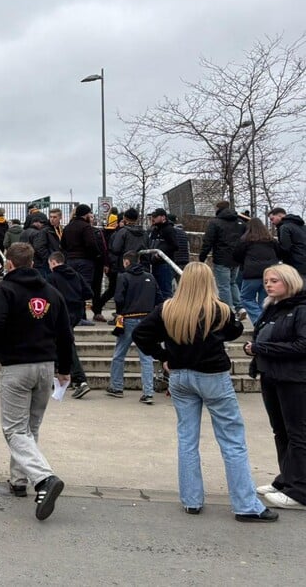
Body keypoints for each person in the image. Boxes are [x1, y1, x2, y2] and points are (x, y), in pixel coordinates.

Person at [133, 262, 277, 522]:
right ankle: (245, 504)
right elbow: (233, 332)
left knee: (187, 438)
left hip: (179, 375)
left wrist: (164, 357)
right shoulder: (220, 309)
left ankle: (191, 500)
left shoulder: (167, 309)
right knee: (232, 439)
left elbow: (142, 334)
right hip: (213, 376)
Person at [0, 242, 74, 521]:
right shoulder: (51, 292)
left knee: (13, 429)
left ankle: (44, 478)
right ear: (33, 263)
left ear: (9, 263)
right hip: (45, 366)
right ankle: (19, 480)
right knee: (30, 427)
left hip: (17, 366)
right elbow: (65, 333)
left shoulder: (5, 290)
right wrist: (65, 367)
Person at [246, 264, 306, 510]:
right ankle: (286, 479)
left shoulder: (301, 309)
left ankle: (300, 490)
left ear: (289, 282)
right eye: (266, 280)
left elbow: (302, 345)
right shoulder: (272, 308)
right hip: (271, 375)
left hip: (294, 379)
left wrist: (263, 349)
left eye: (274, 281)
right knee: (280, 431)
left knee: (297, 433)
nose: (268, 285)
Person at [106, 251, 159, 403]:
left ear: (127, 262)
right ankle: (148, 392)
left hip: (128, 319)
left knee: (119, 354)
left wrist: (119, 313)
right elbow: (159, 296)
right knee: (146, 358)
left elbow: (119, 298)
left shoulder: (124, 277)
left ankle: (117, 387)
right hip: (147, 320)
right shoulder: (150, 277)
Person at [46, 252, 93, 398]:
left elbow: (49, 296)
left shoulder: (52, 277)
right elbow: (88, 293)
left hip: (61, 313)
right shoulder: (76, 275)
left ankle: (80, 380)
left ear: (53, 262)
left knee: (66, 344)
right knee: (62, 342)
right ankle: (65, 376)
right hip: (76, 312)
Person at [198, 201, 246, 318]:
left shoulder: (215, 222)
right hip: (237, 258)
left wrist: (202, 257)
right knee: (232, 283)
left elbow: (208, 241)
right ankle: (240, 308)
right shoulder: (240, 222)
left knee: (223, 286)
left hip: (221, 258)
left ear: (218, 208)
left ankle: (228, 310)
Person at [233, 218, 280, 324]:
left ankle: (259, 322)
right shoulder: (271, 240)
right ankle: (265, 323)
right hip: (269, 273)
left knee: (246, 298)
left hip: (251, 274)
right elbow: (280, 253)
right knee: (265, 301)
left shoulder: (245, 240)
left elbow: (236, 255)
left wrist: (245, 262)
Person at [148, 208, 179, 300]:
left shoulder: (168, 229)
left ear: (163, 217)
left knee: (165, 290)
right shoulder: (155, 230)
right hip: (155, 263)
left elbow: (175, 245)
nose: (153, 218)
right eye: (152, 216)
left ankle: (166, 311)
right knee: (156, 290)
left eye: (155, 216)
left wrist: (161, 253)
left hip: (165, 264)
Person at [268, 208, 306, 278]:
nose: (272, 222)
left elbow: (285, 248)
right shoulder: (303, 227)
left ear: (279, 216)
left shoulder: (284, 227)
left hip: (295, 265)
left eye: (272, 219)